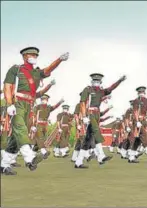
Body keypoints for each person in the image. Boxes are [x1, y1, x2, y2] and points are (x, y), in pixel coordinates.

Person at [1, 47, 69, 175]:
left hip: (30, 105)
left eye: (36, 55)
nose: (35, 57)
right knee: (20, 129)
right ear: (25, 56)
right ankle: (30, 158)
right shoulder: (16, 69)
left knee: (16, 138)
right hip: (17, 104)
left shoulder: (36, 73)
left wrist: (59, 60)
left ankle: (4, 165)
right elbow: (7, 87)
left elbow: (48, 70)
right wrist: (9, 104)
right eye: (32, 55)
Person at [75, 73, 126, 169]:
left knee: (87, 140)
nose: (96, 83)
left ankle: (78, 162)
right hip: (89, 113)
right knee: (96, 131)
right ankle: (101, 156)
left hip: (96, 115)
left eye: (98, 81)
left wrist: (120, 81)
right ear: (92, 81)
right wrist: (84, 116)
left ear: (100, 82)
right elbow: (82, 103)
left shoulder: (101, 92)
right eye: (94, 81)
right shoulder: (87, 90)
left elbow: (111, 88)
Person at [32, 94, 64, 159]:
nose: (44, 101)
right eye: (43, 99)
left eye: (45, 100)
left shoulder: (48, 108)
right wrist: (33, 125)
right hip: (38, 124)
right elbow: (33, 116)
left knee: (41, 139)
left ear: (47, 100)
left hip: (45, 125)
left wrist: (60, 102)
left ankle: (33, 153)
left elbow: (54, 107)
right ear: (41, 100)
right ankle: (44, 152)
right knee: (40, 138)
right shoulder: (37, 107)